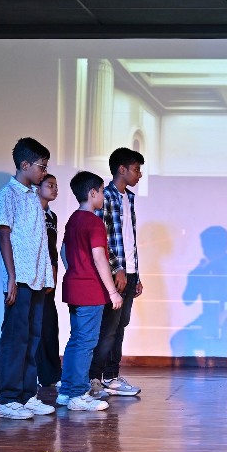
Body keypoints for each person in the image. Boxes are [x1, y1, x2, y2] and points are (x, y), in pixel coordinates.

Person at [0, 137, 56, 420]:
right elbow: (4, 235)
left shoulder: (34, 196)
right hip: (19, 279)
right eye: (41, 166)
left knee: (33, 338)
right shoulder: (8, 194)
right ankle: (6, 399)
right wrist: (11, 277)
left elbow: (39, 240)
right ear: (25, 164)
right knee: (15, 339)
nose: (44, 172)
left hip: (37, 278)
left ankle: (27, 395)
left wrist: (47, 275)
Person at [56, 172, 124, 411]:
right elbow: (99, 257)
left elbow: (63, 251)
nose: (103, 196)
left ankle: (66, 391)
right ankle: (77, 394)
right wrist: (113, 292)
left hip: (74, 287)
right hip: (90, 291)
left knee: (76, 340)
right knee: (86, 342)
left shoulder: (73, 219)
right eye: (102, 191)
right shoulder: (94, 222)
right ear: (92, 193)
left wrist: (76, 270)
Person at [89, 148, 145, 398]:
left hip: (129, 273)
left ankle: (111, 376)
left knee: (121, 326)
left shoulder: (128, 198)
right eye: (136, 169)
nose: (139, 175)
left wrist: (136, 274)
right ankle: (94, 378)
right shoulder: (107, 197)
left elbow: (129, 240)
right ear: (122, 169)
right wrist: (117, 269)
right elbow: (101, 238)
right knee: (108, 328)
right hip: (115, 273)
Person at [35, 173, 62, 389]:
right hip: (35, 276)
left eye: (56, 186)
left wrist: (54, 269)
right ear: (38, 187)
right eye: (50, 185)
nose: (54, 189)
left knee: (50, 326)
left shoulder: (52, 216)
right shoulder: (32, 212)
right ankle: (37, 373)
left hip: (50, 277)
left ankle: (51, 375)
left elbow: (52, 247)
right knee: (37, 326)